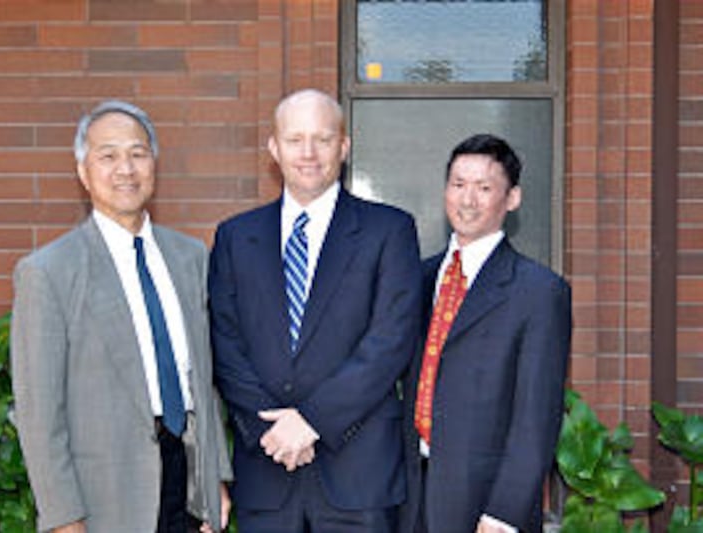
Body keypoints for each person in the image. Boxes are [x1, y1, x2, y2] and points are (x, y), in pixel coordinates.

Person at [10, 100, 232, 533]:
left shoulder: (190, 258)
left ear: (154, 164)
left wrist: (215, 479)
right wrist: (63, 516)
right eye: (107, 155)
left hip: (187, 483)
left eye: (137, 153)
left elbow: (206, 383)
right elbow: (39, 413)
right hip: (103, 495)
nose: (125, 169)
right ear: (83, 172)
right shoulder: (49, 272)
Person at [208, 88, 421, 532]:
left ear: (343, 147)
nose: (308, 153)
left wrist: (312, 421)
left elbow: (390, 341)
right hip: (265, 474)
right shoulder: (234, 237)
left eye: (322, 139)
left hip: (358, 475)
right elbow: (225, 345)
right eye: (295, 139)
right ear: (274, 148)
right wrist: (275, 432)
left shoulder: (390, 230)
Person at [399, 133, 572, 533]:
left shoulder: (539, 292)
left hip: (484, 505)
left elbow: (537, 415)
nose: (467, 199)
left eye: (484, 187)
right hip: (408, 497)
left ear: (512, 199)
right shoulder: (417, 278)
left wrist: (505, 513)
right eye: (458, 185)